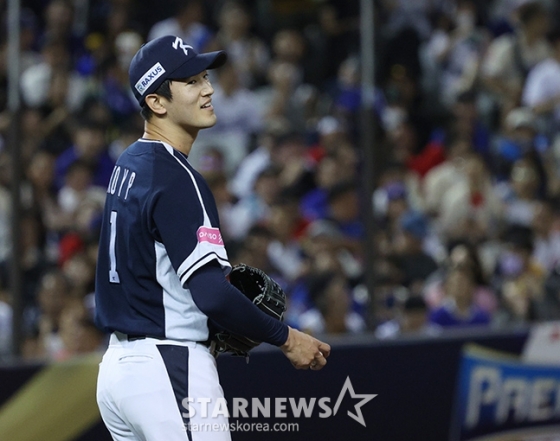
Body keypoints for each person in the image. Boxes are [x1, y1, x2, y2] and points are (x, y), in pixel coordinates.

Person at [94, 35, 330, 441]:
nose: (208, 89)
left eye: (205, 77)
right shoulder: (177, 177)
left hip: (119, 370)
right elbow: (213, 294)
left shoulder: (130, 162)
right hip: (169, 367)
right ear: (156, 102)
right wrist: (288, 339)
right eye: (191, 81)